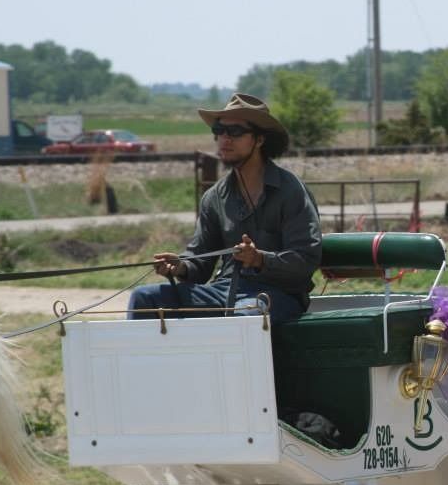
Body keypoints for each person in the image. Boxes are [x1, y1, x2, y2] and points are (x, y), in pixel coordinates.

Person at [127, 93, 322, 323]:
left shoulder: (291, 191)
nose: (224, 139)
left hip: (277, 296)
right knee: (145, 298)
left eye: (235, 132)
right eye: (219, 131)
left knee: (244, 315)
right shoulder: (214, 198)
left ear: (259, 140)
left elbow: (306, 259)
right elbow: (199, 264)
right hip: (224, 291)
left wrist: (259, 259)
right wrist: (179, 266)